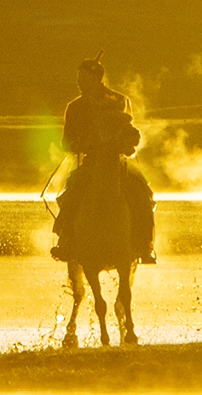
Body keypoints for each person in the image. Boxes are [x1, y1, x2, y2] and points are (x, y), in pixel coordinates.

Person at [52, 56, 156, 266]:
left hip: (119, 162)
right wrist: (78, 144)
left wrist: (127, 141)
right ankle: (66, 243)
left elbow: (130, 131)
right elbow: (66, 142)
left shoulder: (120, 101)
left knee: (143, 193)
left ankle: (145, 246)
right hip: (91, 162)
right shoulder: (75, 107)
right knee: (70, 194)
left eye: (83, 78)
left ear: (97, 79)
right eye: (78, 78)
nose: (79, 82)